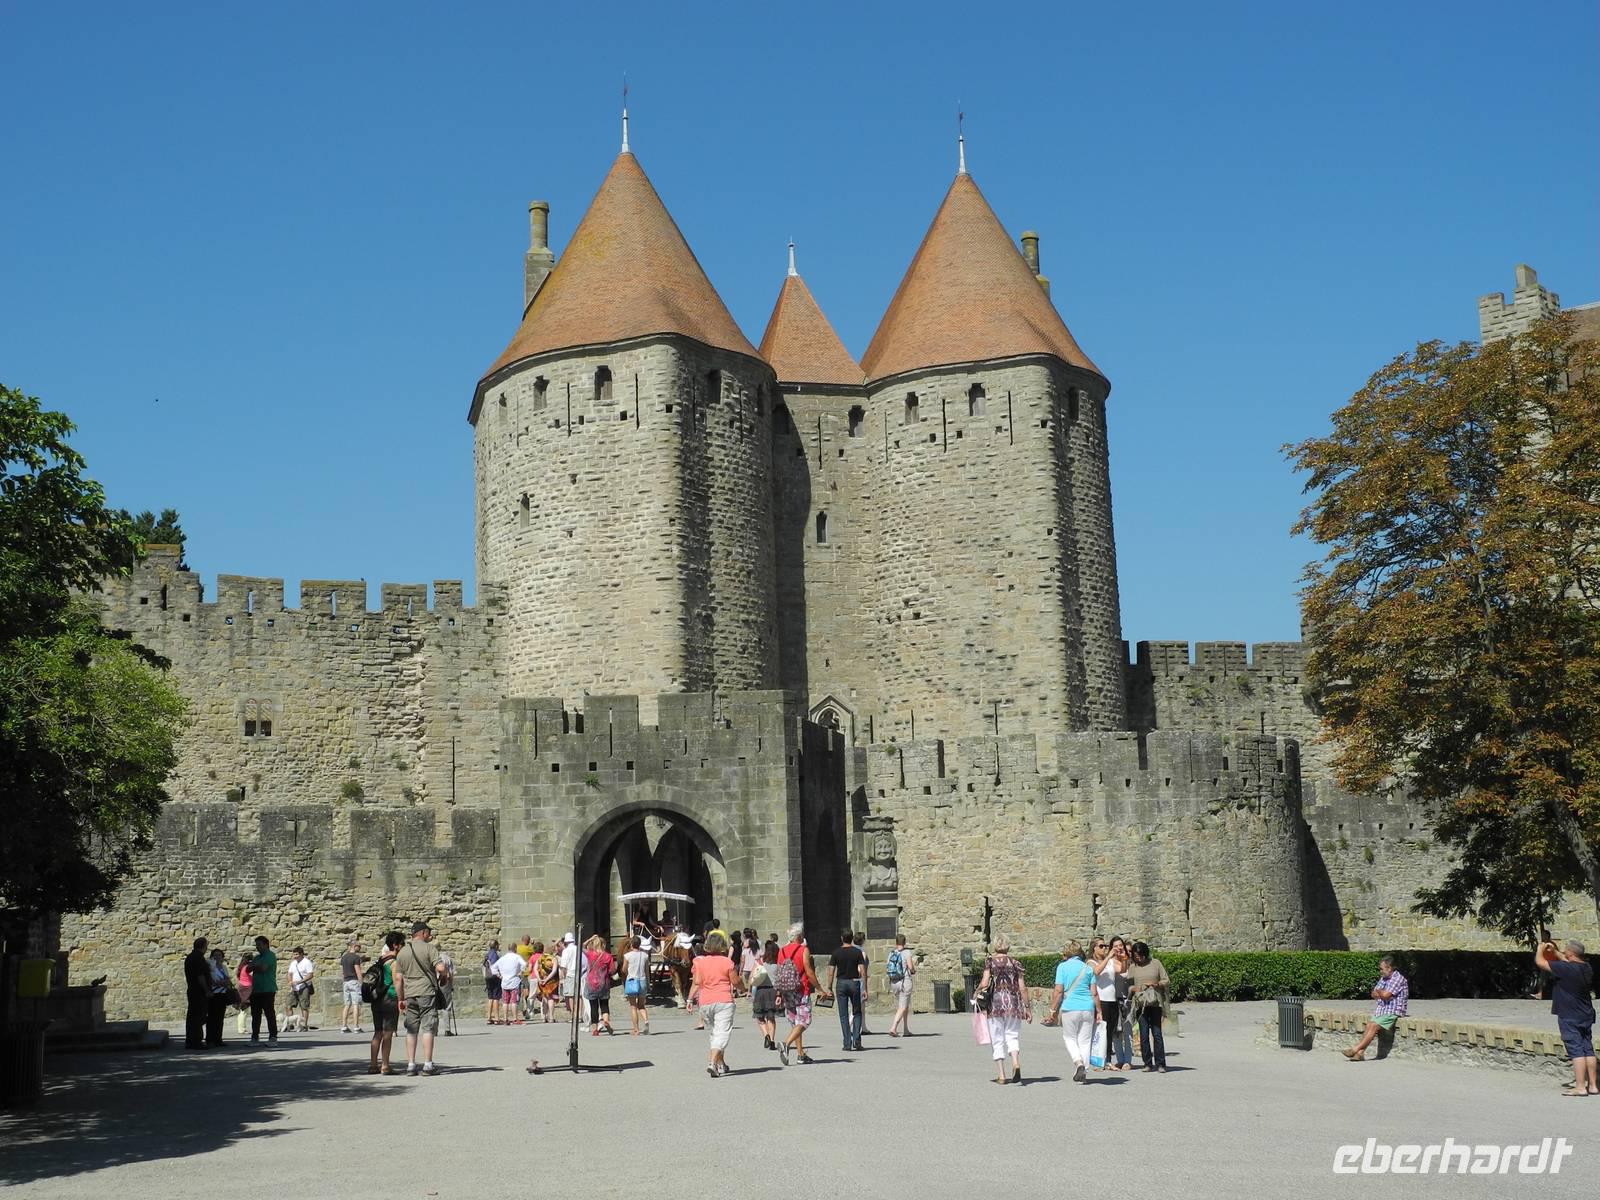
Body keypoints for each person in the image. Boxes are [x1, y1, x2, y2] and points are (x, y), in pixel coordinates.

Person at [1535, 939, 1596, 1097]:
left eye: (1565, 950)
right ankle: (1593, 1085)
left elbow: (1540, 962)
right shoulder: (1586, 967)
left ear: (1570, 953)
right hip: (1585, 1013)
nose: (1564, 952)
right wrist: (1555, 952)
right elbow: (1567, 960)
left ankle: (1580, 1087)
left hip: (1570, 1015)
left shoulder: (1565, 969)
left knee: (1576, 1050)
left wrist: (1540, 948)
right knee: (1588, 1049)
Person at [977, 934, 1031, 1084]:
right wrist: (1027, 1008)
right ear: (1008, 945)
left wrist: (977, 992)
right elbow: (1023, 988)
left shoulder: (989, 962)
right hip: (1013, 1004)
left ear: (994, 945)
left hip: (995, 1004)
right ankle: (1015, 1062)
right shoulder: (1015, 963)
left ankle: (1001, 1075)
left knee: (997, 1038)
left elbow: (985, 983)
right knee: (1012, 1036)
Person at [395, 920, 448, 1075]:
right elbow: (441, 968)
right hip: (426, 992)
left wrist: (400, 999)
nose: (429, 936)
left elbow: (398, 979)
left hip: (409, 994)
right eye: (428, 933)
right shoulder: (429, 948)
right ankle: (428, 1065)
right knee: (428, 1028)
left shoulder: (402, 952)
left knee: (411, 1030)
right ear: (423, 933)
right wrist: (445, 974)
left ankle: (411, 1065)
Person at [687, 930, 743, 1077]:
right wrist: (743, 987)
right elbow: (736, 981)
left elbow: (697, 982)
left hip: (705, 1001)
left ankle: (721, 1064)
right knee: (722, 1033)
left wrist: (689, 999)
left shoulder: (700, 962)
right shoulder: (727, 962)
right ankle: (712, 1062)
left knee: (715, 1033)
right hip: (723, 1000)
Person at [776, 923, 826, 1065]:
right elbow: (809, 972)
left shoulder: (782, 950)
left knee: (795, 1023)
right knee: (804, 1021)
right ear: (799, 936)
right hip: (801, 989)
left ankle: (800, 1054)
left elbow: (779, 974)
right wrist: (819, 989)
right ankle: (786, 1044)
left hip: (786, 990)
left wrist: (778, 994)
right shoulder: (803, 950)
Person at [1048, 940, 1098, 1083]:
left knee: (1069, 1038)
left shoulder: (1062, 967)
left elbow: (1058, 991)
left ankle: (1078, 1063)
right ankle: (1083, 1072)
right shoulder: (1088, 968)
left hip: (1070, 1007)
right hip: (1088, 1007)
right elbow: (1094, 993)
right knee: (1085, 1040)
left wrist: (1052, 1010)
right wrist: (1099, 1011)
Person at [1342, 955, 1409, 1062]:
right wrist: (1381, 993)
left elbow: (1386, 995)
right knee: (1369, 1025)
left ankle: (1355, 1049)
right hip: (1382, 1009)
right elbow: (1373, 994)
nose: (1380, 971)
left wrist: (1380, 992)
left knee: (1373, 1026)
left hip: (1393, 1010)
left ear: (1389, 968)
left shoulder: (1398, 979)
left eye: (1381, 969)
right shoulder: (1384, 978)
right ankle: (1360, 1054)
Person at [1126, 941, 1170, 1072]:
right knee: (1143, 1034)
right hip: (1140, 1004)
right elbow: (1128, 985)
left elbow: (1166, 980)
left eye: (1141, 955)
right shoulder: (1133, 967)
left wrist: (1157, 984)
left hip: (1155, 1002)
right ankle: (1147, 1063)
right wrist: (1133, 989)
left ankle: (1160, 1063)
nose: (1139, 958)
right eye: (1136, 956)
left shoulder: (1156, 963)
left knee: (1157, 1033)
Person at [1089, 937, 1127, 1071]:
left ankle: (1108, 1061)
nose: (1104, 948)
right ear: (1094, 948)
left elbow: (1122, 970)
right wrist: (1109, 957)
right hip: (1101, 1000)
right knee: (1101, 1031)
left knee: (1110, 1031)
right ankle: (1099, 1061)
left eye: (1105, 946)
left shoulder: (1110, 961)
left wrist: (1124, 958)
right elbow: (1096, 971)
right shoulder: (1091, 962)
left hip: (1112, 1000)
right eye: (1101, 946)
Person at [368, 931, 403, 1075]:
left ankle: (373, 1064)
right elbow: (397, 981)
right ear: (395, 945)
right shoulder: (394, 962)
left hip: (377, 998)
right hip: (390, 998)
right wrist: (401, 999)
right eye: (402, 944)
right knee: (388, 1033)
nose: (402, 947)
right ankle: (385, 1065)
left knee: (377, 1032)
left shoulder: (381, 959)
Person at [827, 930, 867, 1052]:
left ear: (841, 938)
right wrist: (865, 988)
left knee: (843, 1015)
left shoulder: (836, 952)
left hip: (841, 983)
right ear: (851, 938)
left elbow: (831, 971)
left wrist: (829, 987)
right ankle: (857, 1040)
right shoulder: (857, 952)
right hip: (854, 982)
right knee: (857, 1012)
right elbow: (863, 971)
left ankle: (847, 1043)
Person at [582, 933, 616, 1035]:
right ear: (603, 945)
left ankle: (594, 1029)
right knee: (604, 1005)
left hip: (591, 984)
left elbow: (581, 946)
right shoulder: (608, 956)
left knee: (593, 1006)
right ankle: (605, 1020)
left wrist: (590, 939)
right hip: (603, 984)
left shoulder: (590, 954)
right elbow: (612, 970)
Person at [248, 936, 279, 1043]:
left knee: (269, 1014)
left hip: (267, 989)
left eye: (259, 945)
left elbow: (263, 968)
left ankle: (273, 1036)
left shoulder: (270, 955)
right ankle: (254, 1037)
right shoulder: (257, 958)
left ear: (266, 945)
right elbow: (247, 969)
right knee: (255, 1015)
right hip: (256, 990)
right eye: (256, 945)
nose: (257, 947)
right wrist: (255, 966)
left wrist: (254, 966)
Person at [183, 937, 210, 1050]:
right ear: (203, 946)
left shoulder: (190, 957)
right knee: (198, 1017)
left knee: (192, 1016)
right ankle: (196, 1041)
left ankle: (190, 1040)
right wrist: (206, 990)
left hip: (192, 990)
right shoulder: (198, 958)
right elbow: (200, 976)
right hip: (198, 992)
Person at [750, 945, 779, 1050]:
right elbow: (779, 982)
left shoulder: (759, 963)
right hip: (772, 992)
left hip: (760, 992)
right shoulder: (777, 965)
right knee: (771, 1018)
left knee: (760, 1017)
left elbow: (751, 979)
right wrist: (779, 994)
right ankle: (772, 1040)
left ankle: (766, 1035)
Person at [886, 934, 915, 1037]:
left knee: (904, 1005)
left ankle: (906, 1029)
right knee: (902, 1006)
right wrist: (913, 970)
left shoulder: (891, 953)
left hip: (894, 982)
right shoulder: (907, 952)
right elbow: (910, 967)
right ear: (904, 942)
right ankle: (893, 1028)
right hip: (904, 981)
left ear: (896, 942)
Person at [492, 942, 528, 1025]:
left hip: (505, 982)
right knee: (514, 1001)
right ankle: (515, 1019)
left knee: (505, 1001)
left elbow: (493, 967)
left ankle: (505, 1019)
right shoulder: (517, 957)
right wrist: (521, 972)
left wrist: (499, 975)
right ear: (515, 948)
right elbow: (524, 964)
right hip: (514, 981)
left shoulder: (503, 958)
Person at [622, 935, 651, 1036]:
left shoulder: (627, 956)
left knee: (633, 1006)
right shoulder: (645, 956)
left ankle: (636, 1029)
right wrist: (648, 983)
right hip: (642, 981)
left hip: (632, 981)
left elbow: (624, 969)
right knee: (642, 1005)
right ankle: (646, 1020)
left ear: (631, 944)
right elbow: (647, 971)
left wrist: (628, 973)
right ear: (640, 944)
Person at [206, 948, 233, 1047]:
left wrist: (225, 982)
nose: (217, 957)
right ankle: (210, 1039)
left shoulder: (223, 967)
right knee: (212, 1018)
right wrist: (222, 983)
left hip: (223, 994)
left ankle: (218, 1039)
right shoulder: (210, 968)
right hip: (214, 994)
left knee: (220, 1017)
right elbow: (212, 981)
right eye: (215, 955)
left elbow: (227, 980)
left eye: (219, 955)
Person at [339, 940, 367, 1034]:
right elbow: (358, 971)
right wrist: (361, 983)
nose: (360, 948)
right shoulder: (356, 957)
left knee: (347, 1004)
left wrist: (344, 981)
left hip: (346, 982)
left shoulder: (344, 958)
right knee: (356, 1004)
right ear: (354, 946)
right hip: (354, 981)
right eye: (359, 946)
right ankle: (356, 1026)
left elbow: (342, 972)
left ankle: (344, 1026)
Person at [285, 947, 315, 1032]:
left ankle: (304, 1025)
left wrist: (299, 982)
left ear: (301, 954)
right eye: (294, 954)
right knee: (288, 1005)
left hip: (304, 987)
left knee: (304, 1006)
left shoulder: (307, 962)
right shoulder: (293, 963)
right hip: (294, 988)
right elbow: (289, 973)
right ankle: (291, 1024)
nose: (295, 956)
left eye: (297, 954)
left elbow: (310, 975)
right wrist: (290, 981)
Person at [535, 941, 559, 1022]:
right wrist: (547, 979)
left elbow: (535, 969)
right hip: (551, 981)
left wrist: (539, 978)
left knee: (544, 998)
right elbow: (554, 971)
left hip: (541, 980)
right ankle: (551, 1017)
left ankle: (544, 1017)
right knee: (551, 998)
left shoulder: (540, 958)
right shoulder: (553, 958)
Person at [482, 938, 503, 1025]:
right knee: (496, 998)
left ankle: (489, 1017)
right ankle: (497, 1018)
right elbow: (494, 967)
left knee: (490, 997)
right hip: (495, 978)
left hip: (488, 977)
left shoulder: (487, 954)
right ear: (496, 946)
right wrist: (499, 976)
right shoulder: (494, 954)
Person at [557, 932, 579, 1013]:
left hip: (569, 973)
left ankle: (574, 1013)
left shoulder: (566, 951)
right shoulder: (578, 949)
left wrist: (564, 975)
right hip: (579, 973)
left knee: (570, 995)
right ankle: (579, 1014)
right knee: (579, 995)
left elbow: (564, 965)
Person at [234, 952, 255, 1036]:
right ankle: (242, 1029)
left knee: (242, 1010)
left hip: (242, 987)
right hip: (247, 989)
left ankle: (241, 1027)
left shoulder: (241, 967)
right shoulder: (247, 968)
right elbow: (252, 977)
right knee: (244, 1010)